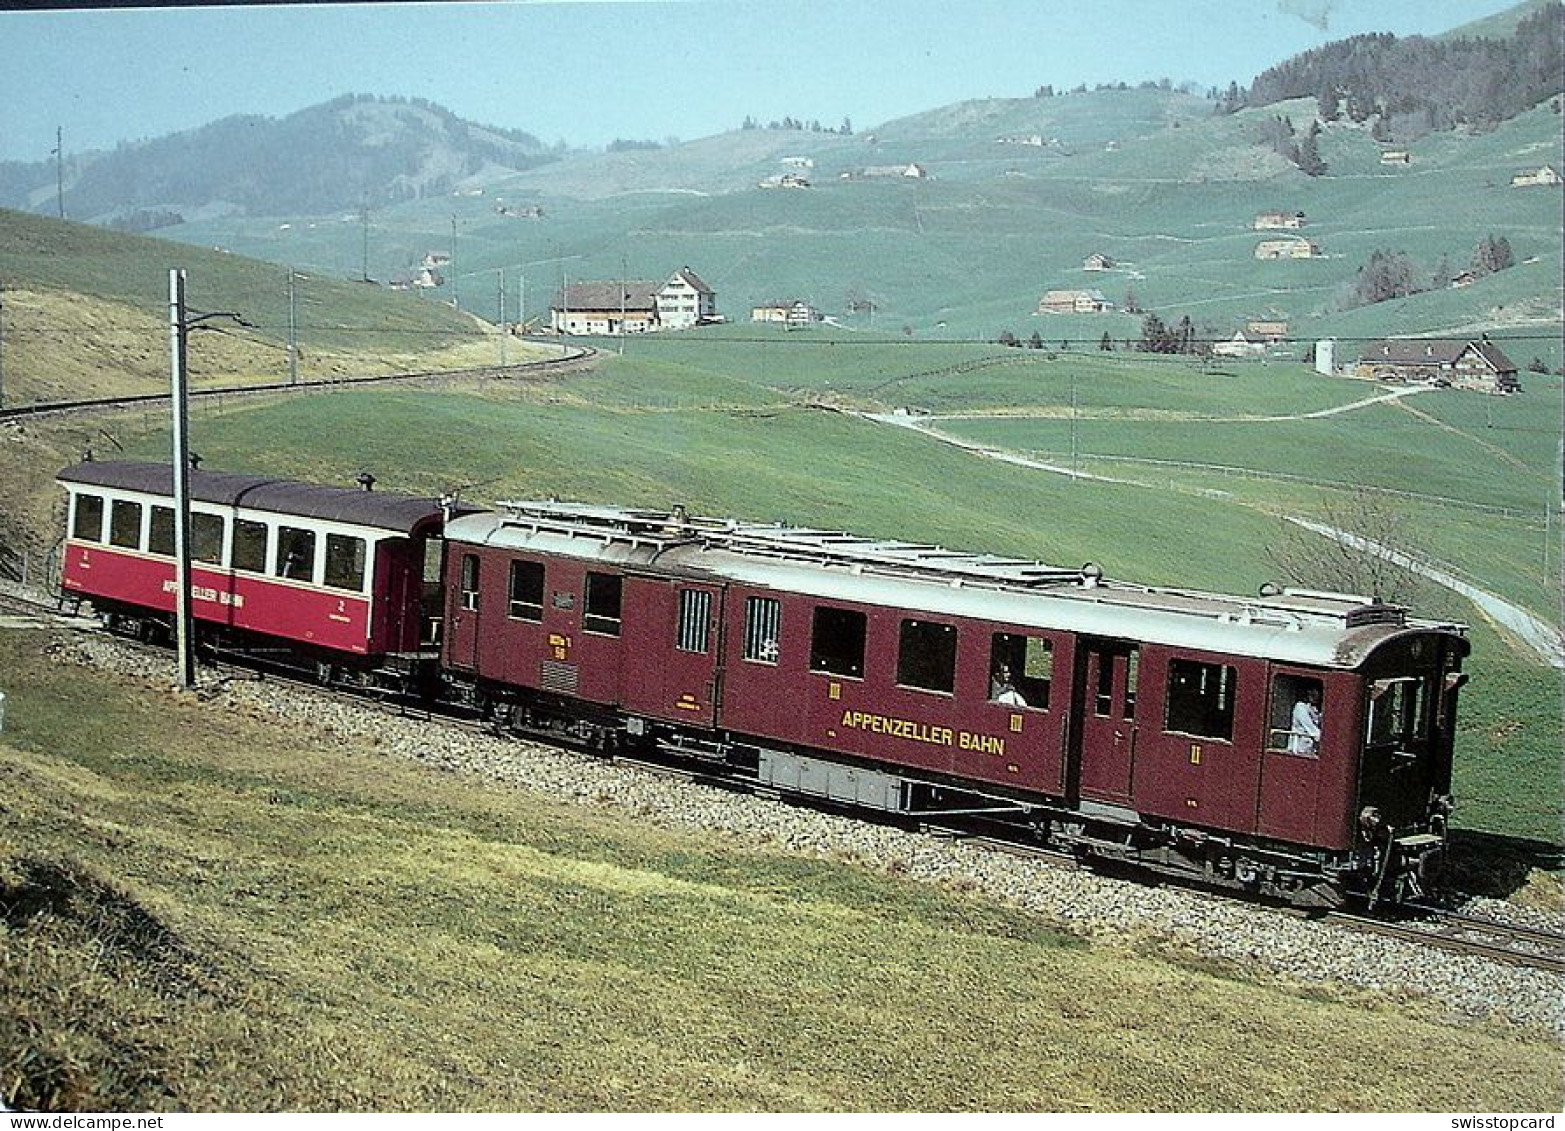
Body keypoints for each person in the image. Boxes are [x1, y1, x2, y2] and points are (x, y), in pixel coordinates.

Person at [1289, 686, 1322, 754]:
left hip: (1310, 750)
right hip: (1298, 750)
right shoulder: (1300, 707)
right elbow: (1311, 729)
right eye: (1311, 692)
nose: (1314, 694)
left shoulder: (1317, 710)